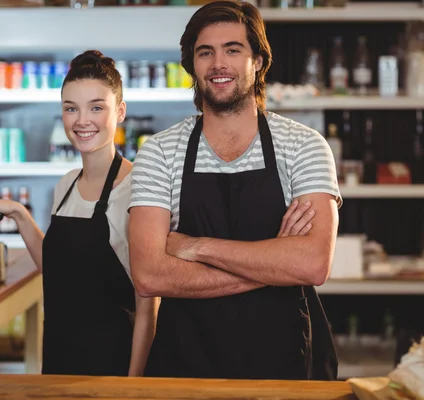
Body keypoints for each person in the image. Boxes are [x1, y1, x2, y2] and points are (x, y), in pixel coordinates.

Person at [128, 0, 342, 381]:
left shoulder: (304, 146)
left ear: (257, 60)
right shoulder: (159, 152)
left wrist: (196, 247)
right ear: (192, 65)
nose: (218, 64)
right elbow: (148, 275)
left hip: (288, 368)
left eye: (233, 49)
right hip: (186, 367)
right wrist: (275, 265)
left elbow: (312, 264)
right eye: (205, 52)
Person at [0, 50, 159, 376]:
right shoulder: (67, 184)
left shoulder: (136, 190)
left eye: (96, 108)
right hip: (60, 357)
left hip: (111, 365)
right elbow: (61, 271)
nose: (82, 120)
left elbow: (148, 306)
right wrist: (19, 215)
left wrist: (133, 388)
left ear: (120, 112)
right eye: (71, 108)